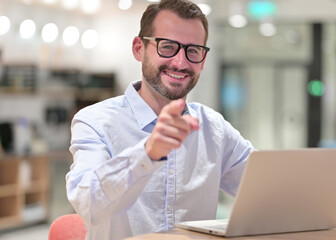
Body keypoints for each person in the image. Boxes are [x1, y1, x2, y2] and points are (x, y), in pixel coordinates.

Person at [66, 0, 254, 239]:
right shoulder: (95, 121)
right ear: (139, 49)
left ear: (203, 61)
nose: (180, 62)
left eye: (193, 50)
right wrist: (148, 153)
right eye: (167, 47)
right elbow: (87, 204)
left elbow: (266, 187)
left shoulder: (214, 128)